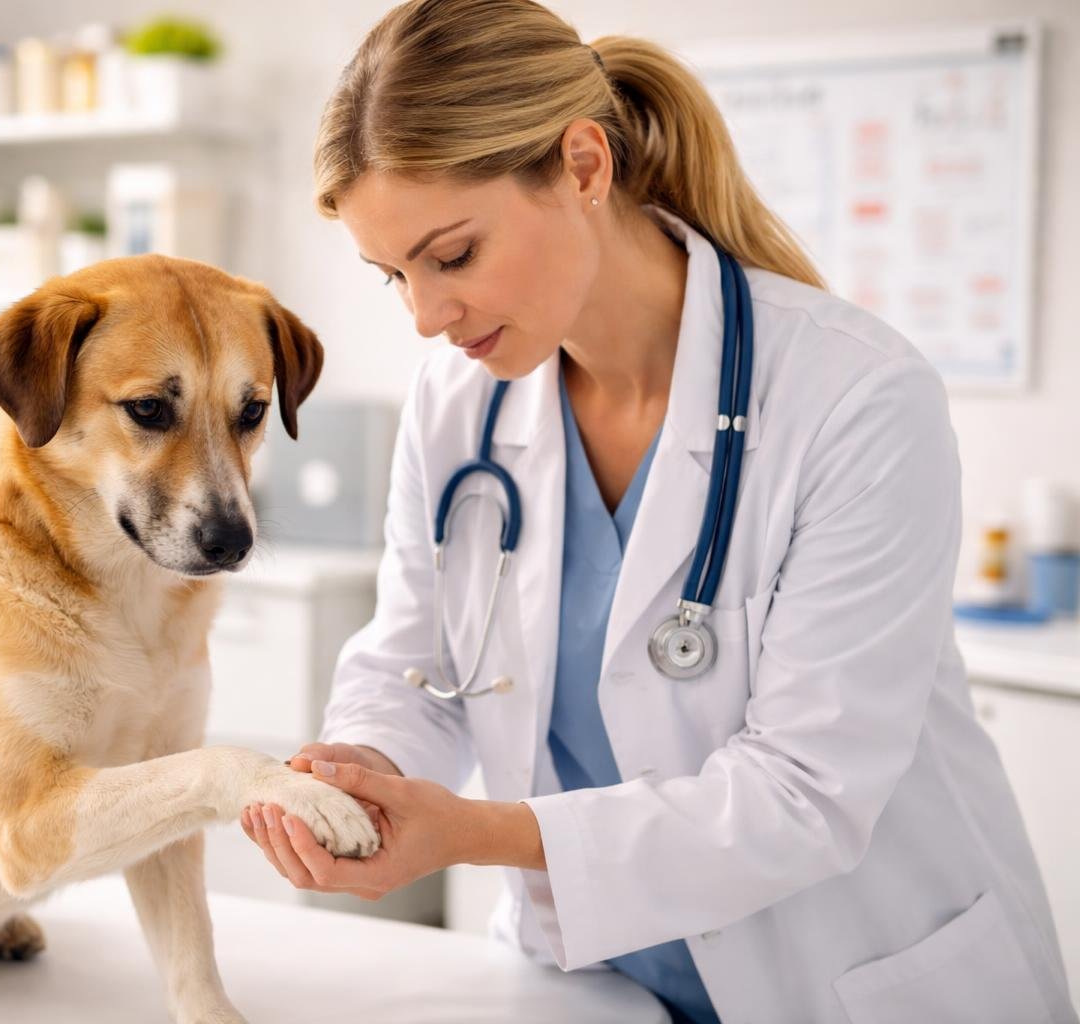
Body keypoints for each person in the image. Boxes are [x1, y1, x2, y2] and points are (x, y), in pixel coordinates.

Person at [236, 1, 1075, 1021]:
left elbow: (804, 792)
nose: (425, 314)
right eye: (394, 275)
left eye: (452, 256)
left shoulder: (853, 396)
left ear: (583, 167)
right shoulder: (458, 406)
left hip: (854, 977)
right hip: (598, 984)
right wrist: (366, 761)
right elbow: (413, 663)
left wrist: (470, 832)